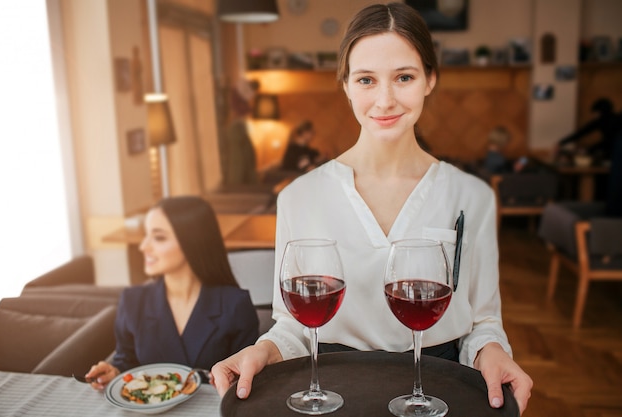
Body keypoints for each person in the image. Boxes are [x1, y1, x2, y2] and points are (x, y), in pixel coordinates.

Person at [210, 3, 532, 414]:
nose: (385, 100)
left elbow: (482, 322)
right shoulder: (299, 196)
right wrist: (263, 351)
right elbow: (292, 325)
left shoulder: (473, 197)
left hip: (438, 389)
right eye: (366, 79)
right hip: (330, 390)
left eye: (404, 77)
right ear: (345, 84)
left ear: (430, 79)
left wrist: (493, 352)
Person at [86, 196, 259, 390]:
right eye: (146, 235)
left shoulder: (235, 305)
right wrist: (115, 371)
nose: (143, 247)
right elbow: (127, 361)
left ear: (192, 241)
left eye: (158, 238)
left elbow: (246, 379)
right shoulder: (132, 301)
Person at [220, 80, 259, 186]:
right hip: (241, 185)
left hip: (245, 184)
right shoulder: (235, 131)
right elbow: (237, 163)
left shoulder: (238, 129)